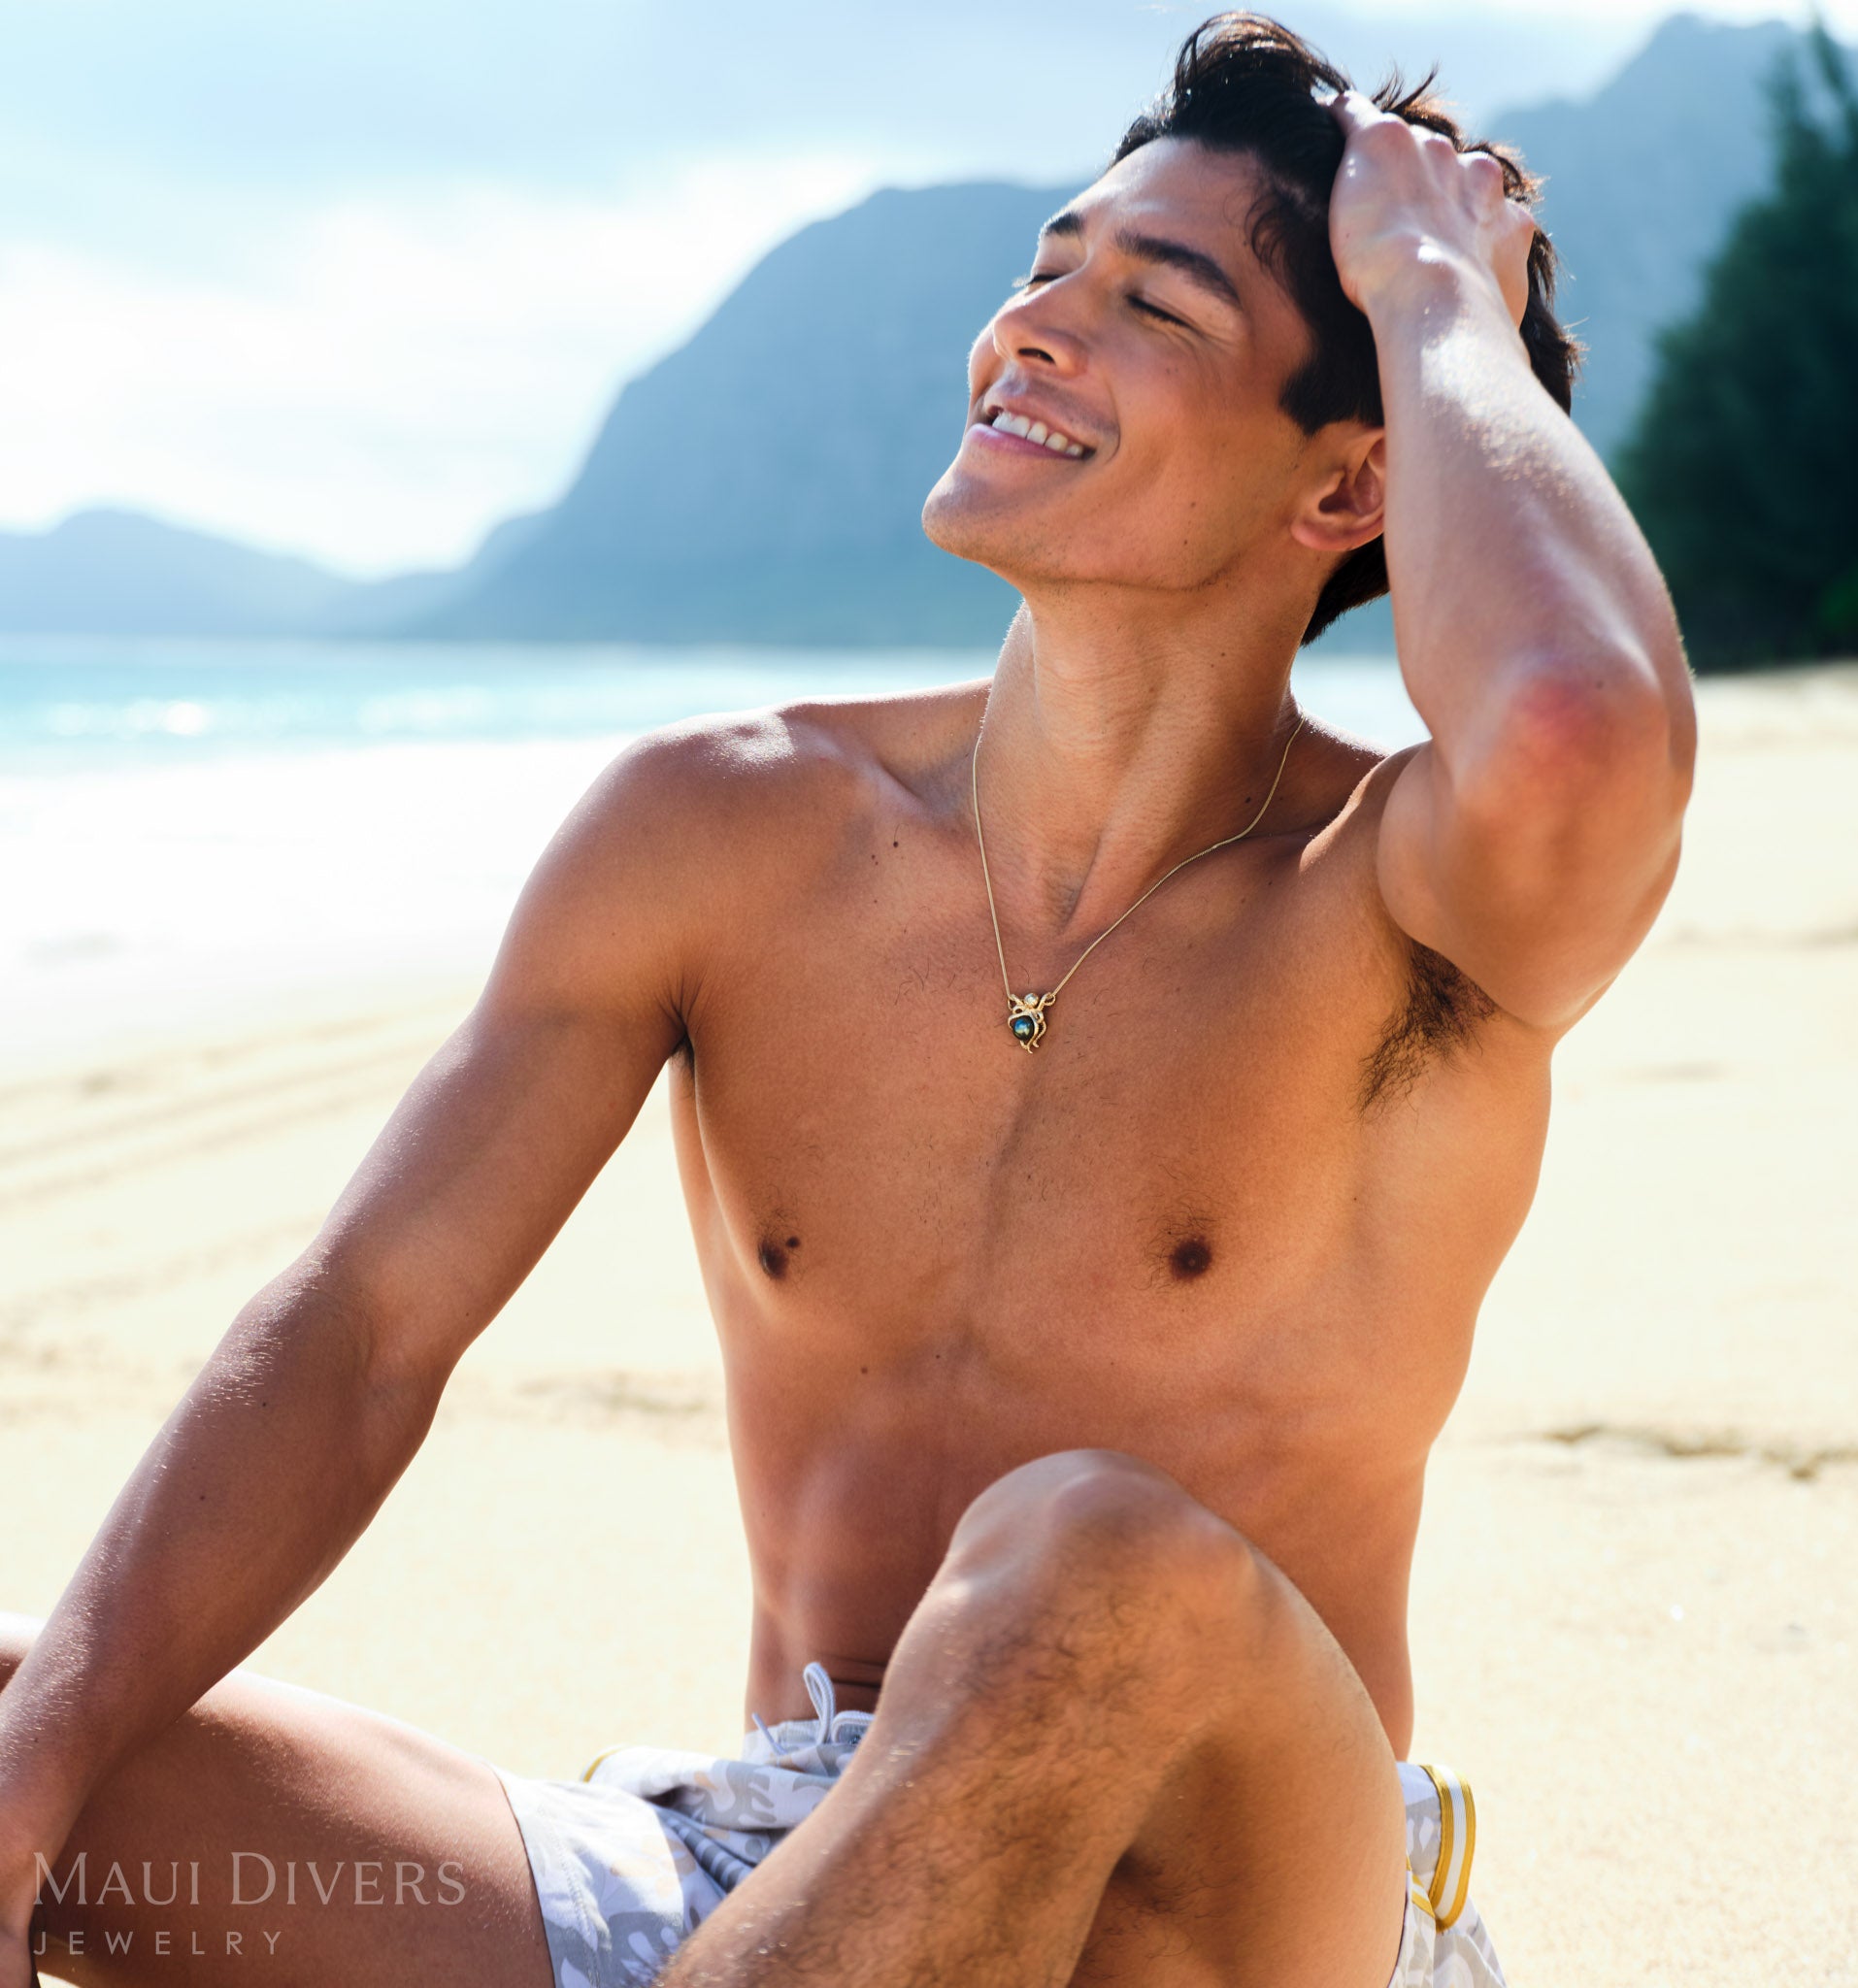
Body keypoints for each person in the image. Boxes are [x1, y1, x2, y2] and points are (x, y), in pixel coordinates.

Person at [0, 13, 1695, 1986]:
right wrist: (33, 1783)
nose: (1034, 328)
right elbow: (364, 1328)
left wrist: (1429, 282)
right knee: (43, 1720)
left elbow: (1575, 722)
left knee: (1092, 1556)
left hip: (1218, 1920)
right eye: (1046, 267)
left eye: (1150, 303)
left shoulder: (1405, 903)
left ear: (1350, 486)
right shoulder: (721, 830)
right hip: (773, 1876)